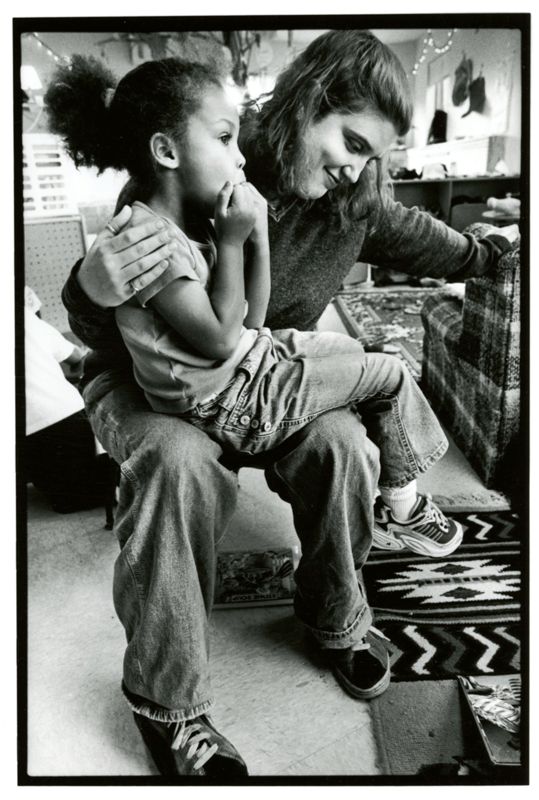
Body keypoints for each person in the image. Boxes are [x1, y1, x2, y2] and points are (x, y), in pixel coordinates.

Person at [49, 31, 514, 777]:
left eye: (374, 158)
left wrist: (498, 249)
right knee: (179, 462)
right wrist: (84, 290)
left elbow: (435, 244)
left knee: (343, 446)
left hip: (262, 371)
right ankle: (167, 704)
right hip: (154, 386)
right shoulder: (204, 156)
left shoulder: (351, 199)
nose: (356, 168)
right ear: (306, 105)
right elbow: (124, 318)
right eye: (352, 142)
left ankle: (336, 617)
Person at [24, 287, 110, 513]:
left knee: (60, 494)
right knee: (70, 496)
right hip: (66, 417)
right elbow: (77, 359)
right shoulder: (28, 320)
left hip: (25, 435)